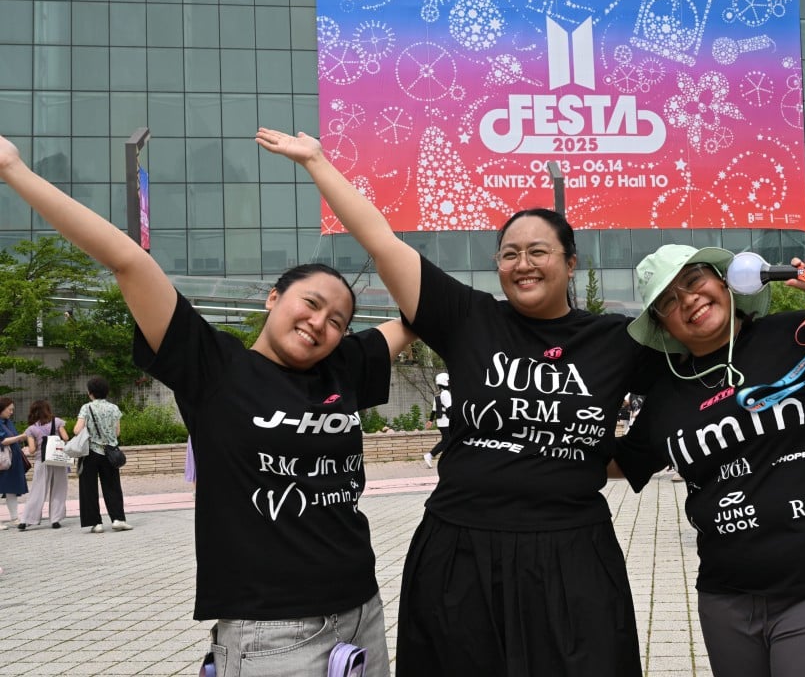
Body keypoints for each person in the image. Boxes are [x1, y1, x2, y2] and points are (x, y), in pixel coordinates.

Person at [0, 132, 415, 677]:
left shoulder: (346, 365)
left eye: (338, 320)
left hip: (362, 609)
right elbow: (127, 261)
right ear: (274, 298)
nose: (321, 323)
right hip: (271, 630)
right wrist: (14, 170)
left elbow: (421, 300)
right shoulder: (214, 366)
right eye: (310, 304)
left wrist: (317, 161)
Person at [256, 128, 658, 676]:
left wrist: (627, 457)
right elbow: (381, 240)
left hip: (572, 554)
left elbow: (690, 384)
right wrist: (318, 162)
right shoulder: (470, 317)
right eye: (509, 254)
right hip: (459, 552)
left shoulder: (617, 338)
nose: (523, 264)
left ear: (569, 262)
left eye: (538, 251)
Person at [613, 244, 805, 677]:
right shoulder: (667, 399)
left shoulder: (795, 334)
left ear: (725, 282)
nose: (687, 300)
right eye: (668, 300)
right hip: (727, 599)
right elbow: (618, 463)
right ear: (663, 327)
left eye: (694, 280)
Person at [76, 376, 131, 533]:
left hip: (90, 452)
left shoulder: (86, 408)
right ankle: (118, 519)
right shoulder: (114, 408)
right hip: (109, 452)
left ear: (90, 392)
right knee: (112, 486)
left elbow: (77, 430)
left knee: (89, 488)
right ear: (106, 391)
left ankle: (96, 523)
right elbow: (117, 432)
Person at [20, 399, 71, 530]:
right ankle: (55, 519)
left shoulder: (31, 429)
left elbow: (31, 450)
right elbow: (65, 438)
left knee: (37, 490)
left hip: (41, 461)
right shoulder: (57, 422)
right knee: (59, 489)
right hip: (58, 460)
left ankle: (26, 519)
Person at [0, 397, 30, 529]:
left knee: (11, 489)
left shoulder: (7, 422)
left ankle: (14, 517)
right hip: (2, 461)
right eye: (9, 409)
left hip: (11, 461)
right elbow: (3, 440)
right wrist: (21, 437)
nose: (11, 412)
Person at [422, 372, 452, 469]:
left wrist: (430, 420)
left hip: (441, 422)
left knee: (448, 441)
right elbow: (450, 409)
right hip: (447, 421)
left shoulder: (438, 394)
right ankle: (430, 455)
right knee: (447, 441)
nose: (450, 382)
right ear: (444, 382)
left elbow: (434, 410)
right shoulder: (446, 393)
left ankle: (447, 459)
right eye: (448, 381)